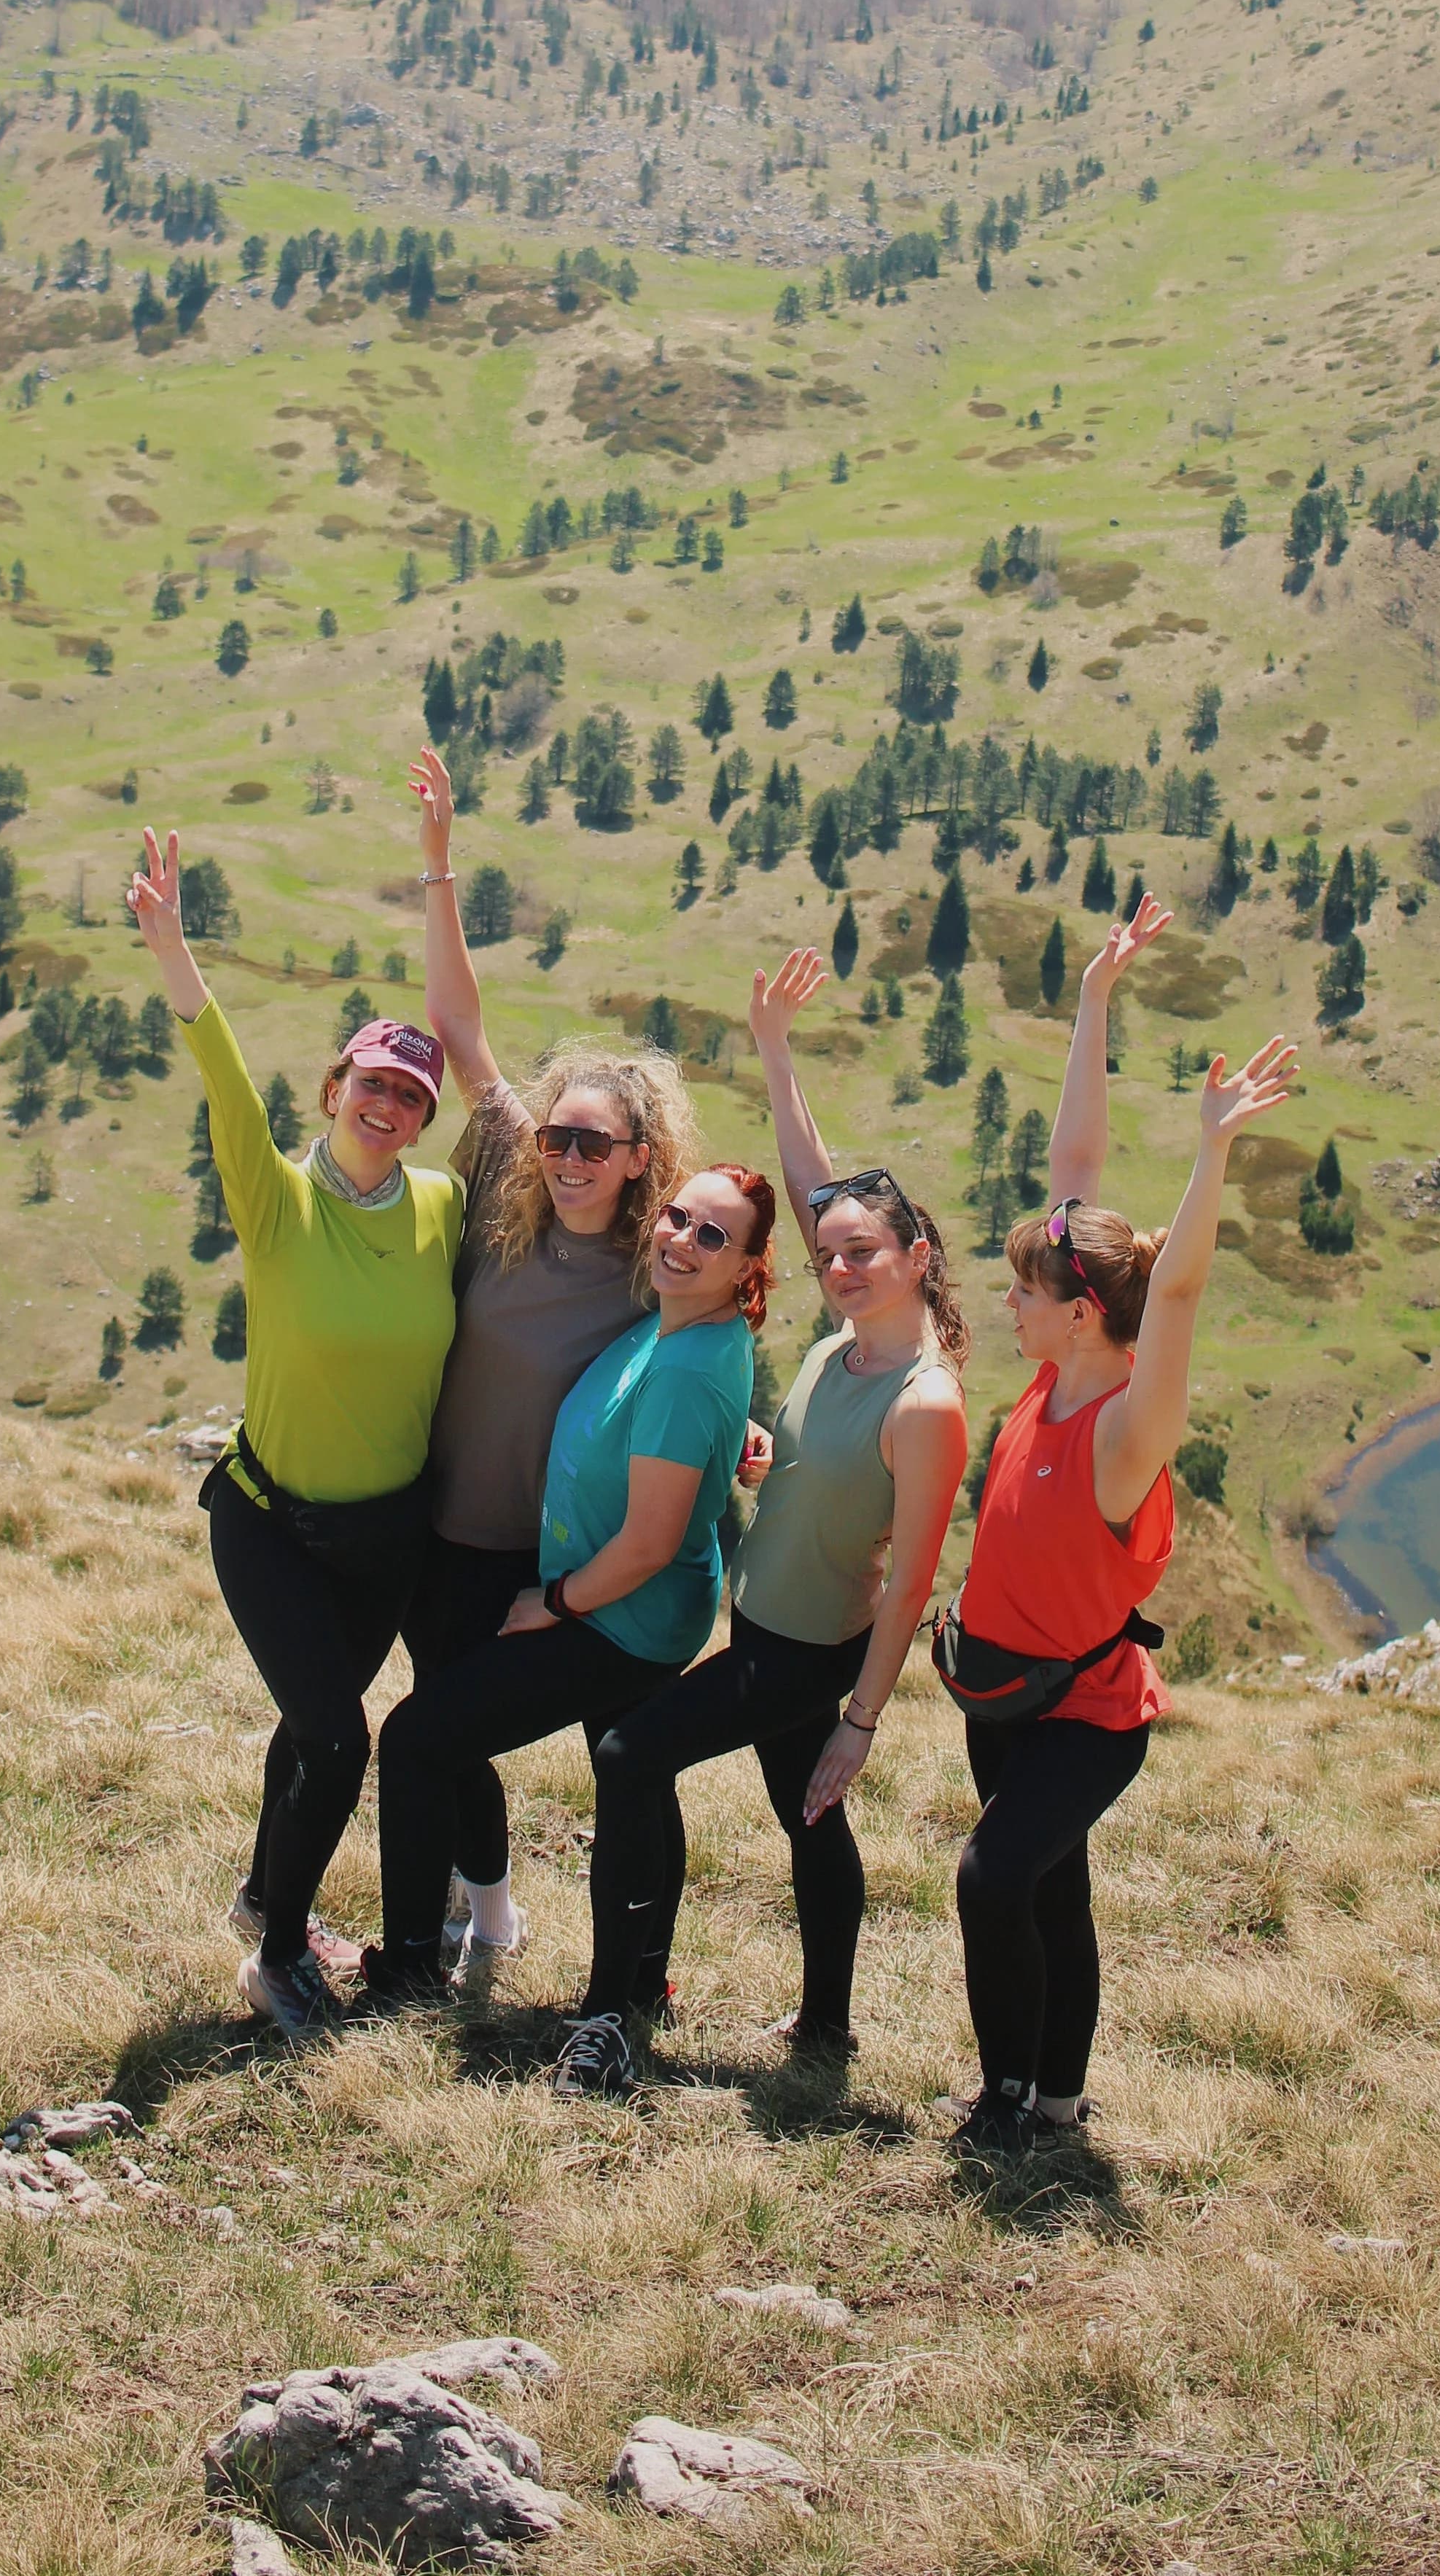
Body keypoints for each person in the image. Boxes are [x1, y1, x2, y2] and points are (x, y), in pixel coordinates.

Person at [553, 947, 970, 2094]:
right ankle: (827, 2028)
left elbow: (910, 1581)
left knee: (636, 1756)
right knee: (806, 1822)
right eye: (829, 1254)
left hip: (804, 1649)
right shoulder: (847, 1342)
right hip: (763, 1618)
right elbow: (811, 1179)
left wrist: (862, 1723)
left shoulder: (923, 1401)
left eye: (863, 1254)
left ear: (915, 1260)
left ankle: (620, 1998)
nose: (838, 1265)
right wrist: (775, 1048)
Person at [947, 900, 1298, 2155]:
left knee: (993, 1880)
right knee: (1054, 1891)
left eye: (1024, 1291)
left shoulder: (1125, 1426)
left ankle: (1004, 2102)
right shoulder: (1057, 1369)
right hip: (1003, 1688)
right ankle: (1055, 2097)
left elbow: (1182, 1282)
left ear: (1084, 1311)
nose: (1007, 1304)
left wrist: (1212, 1151)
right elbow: (1075, 1165)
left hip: (1086, 1712)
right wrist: (1096, 997)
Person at [128, 823, 463, 2042]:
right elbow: (218, 1069)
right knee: (335, 1728)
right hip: (269, 1519)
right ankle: (278, 1958)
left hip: (388, 1535)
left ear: (424, 1118)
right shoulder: (274, 1194)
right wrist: (174, 949)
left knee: (304, 1725)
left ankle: (265, 1890)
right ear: (336, 1089)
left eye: (411, 1093)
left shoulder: (444, 1205)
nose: (387, 1102)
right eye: (371, 1080)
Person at [400, 741, 697, 1978]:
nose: (568, 1154)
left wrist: (746, 1435)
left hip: (565, 1549)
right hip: (447, 1528)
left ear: (640, 1154)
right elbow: (460, 1027)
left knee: (606, 1750)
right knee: (444, 1733)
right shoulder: (509, 1177)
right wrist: (437, 866)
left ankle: (634, 1967)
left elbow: (714, 1355)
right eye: (559, 1131)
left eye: (595, 1140)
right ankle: (491, 1905)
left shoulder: (658, 1262)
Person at [358, 1155, 774, 2031]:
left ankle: (407, 1973)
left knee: (418, 1741)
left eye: (713, 1235)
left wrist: (557, 1604)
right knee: (633, 1782)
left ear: (747, 1268)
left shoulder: (688, 1362)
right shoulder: (670, 1326)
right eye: (676, 1218)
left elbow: (652, 1540)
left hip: (619, 1618)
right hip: (629, 1607)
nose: (683, 1241)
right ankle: (644, 1984)